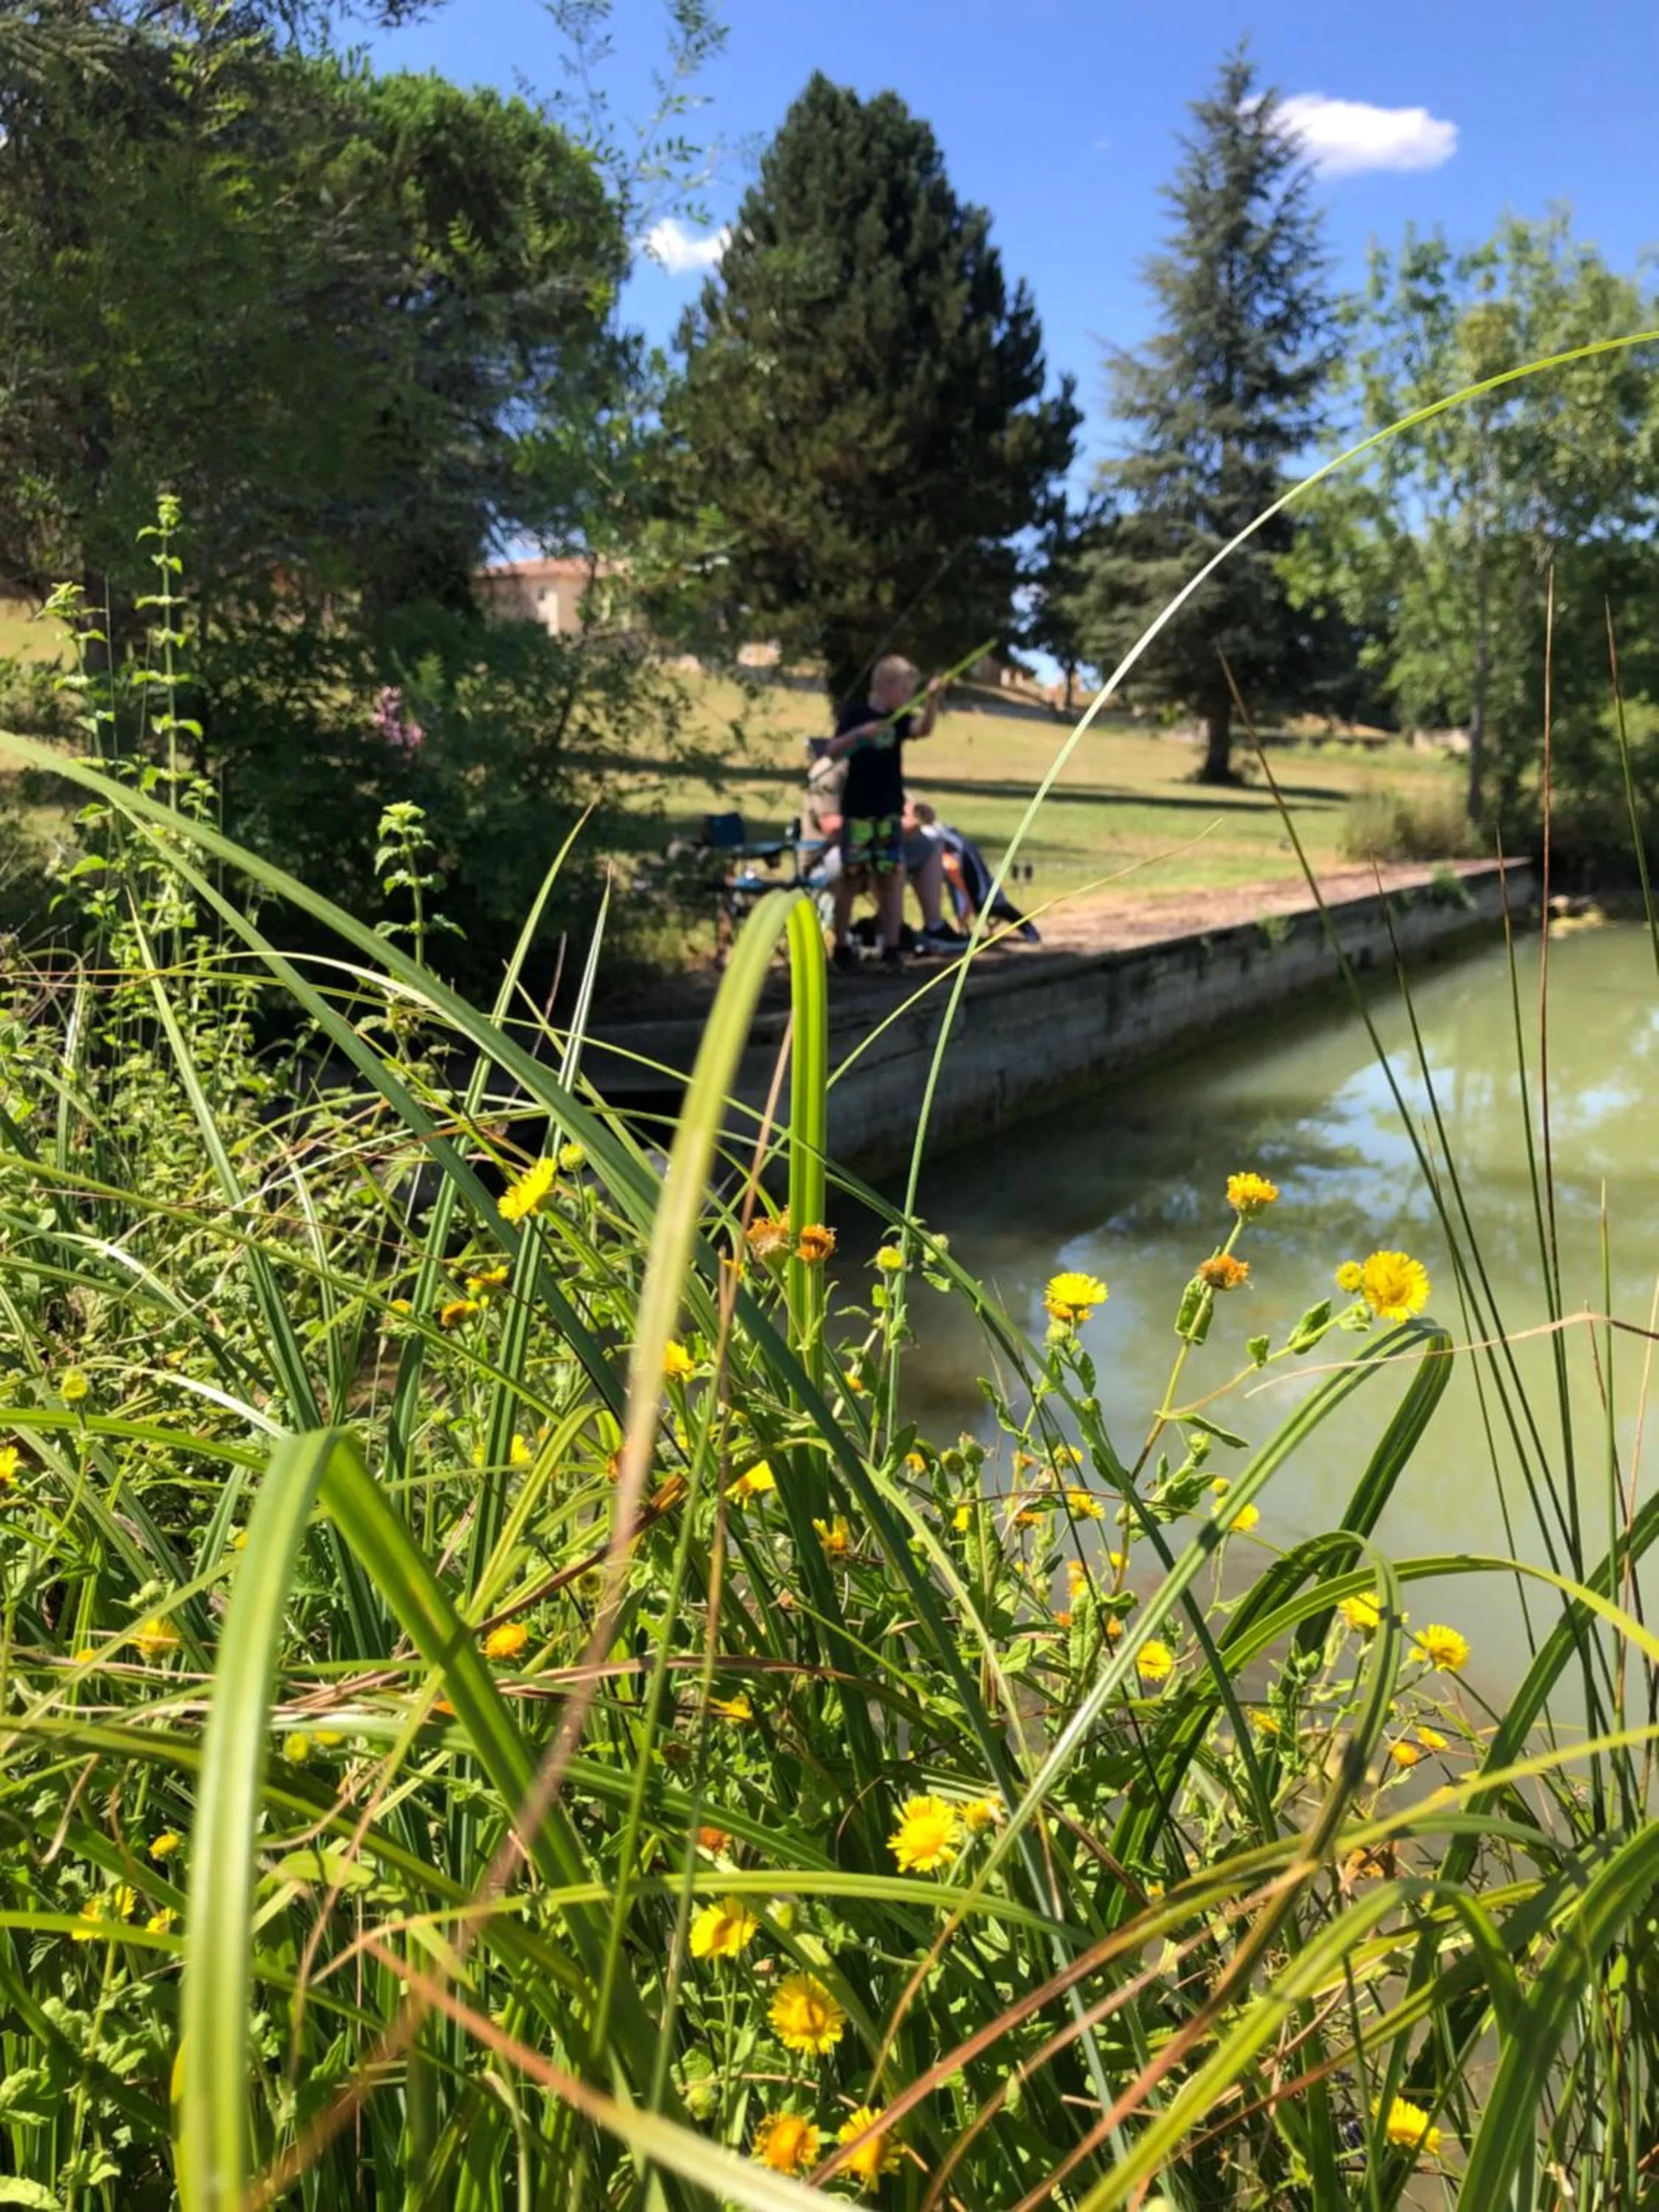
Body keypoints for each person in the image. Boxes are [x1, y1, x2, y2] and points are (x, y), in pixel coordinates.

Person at [821, 655, 954, 970]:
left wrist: (933, 701)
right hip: (859, 813)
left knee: (891, 878)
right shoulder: (856, 715)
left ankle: (891, 949)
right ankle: (840, 947)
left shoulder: (900, 719)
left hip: (889, 812)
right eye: (906, 691)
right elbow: (832, 751)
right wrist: (862, 734)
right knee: (851, 880)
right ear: (886, 687)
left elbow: (923, 729)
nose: (909, 698)